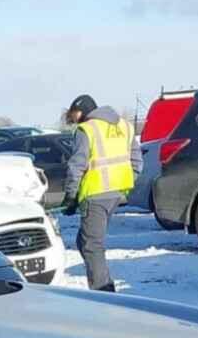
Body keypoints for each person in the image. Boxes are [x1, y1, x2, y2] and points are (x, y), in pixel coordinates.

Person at [60, 95, 141, 292]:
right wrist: (124, 182)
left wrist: (70, 197)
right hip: (115, 194)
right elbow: (137, 162)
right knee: (85, 240)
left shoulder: (86, 129)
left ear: (84, 110)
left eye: (75, 113)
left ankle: (103, 292)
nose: (74, 119)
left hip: (95, 195)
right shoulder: (124, 126)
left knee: (91, 245)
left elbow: (76, 167)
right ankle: (103, 284)